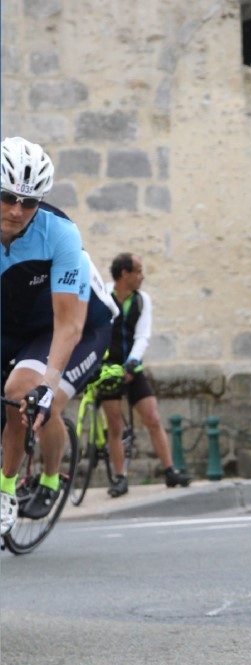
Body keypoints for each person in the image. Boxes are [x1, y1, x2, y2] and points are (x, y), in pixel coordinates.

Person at [1, 136, 116, 535]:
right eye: (6, 197)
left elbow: (69, 323)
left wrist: (48, 385)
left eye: (28, 202)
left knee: (26, 394)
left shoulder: (61, 233)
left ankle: (37, 482)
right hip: (17, 323)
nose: (17, 210)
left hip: (78, 326)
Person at [101, 252, 190, 496]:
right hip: (108, 369)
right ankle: (120, 477)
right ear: (124, 274)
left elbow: (143, 335)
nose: (142, 276)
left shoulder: (142, 300)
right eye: (138, 271)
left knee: (152, 417)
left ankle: (170, 470)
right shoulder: (103, 295)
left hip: (132, 367)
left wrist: (132, 363)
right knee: (115, 425)